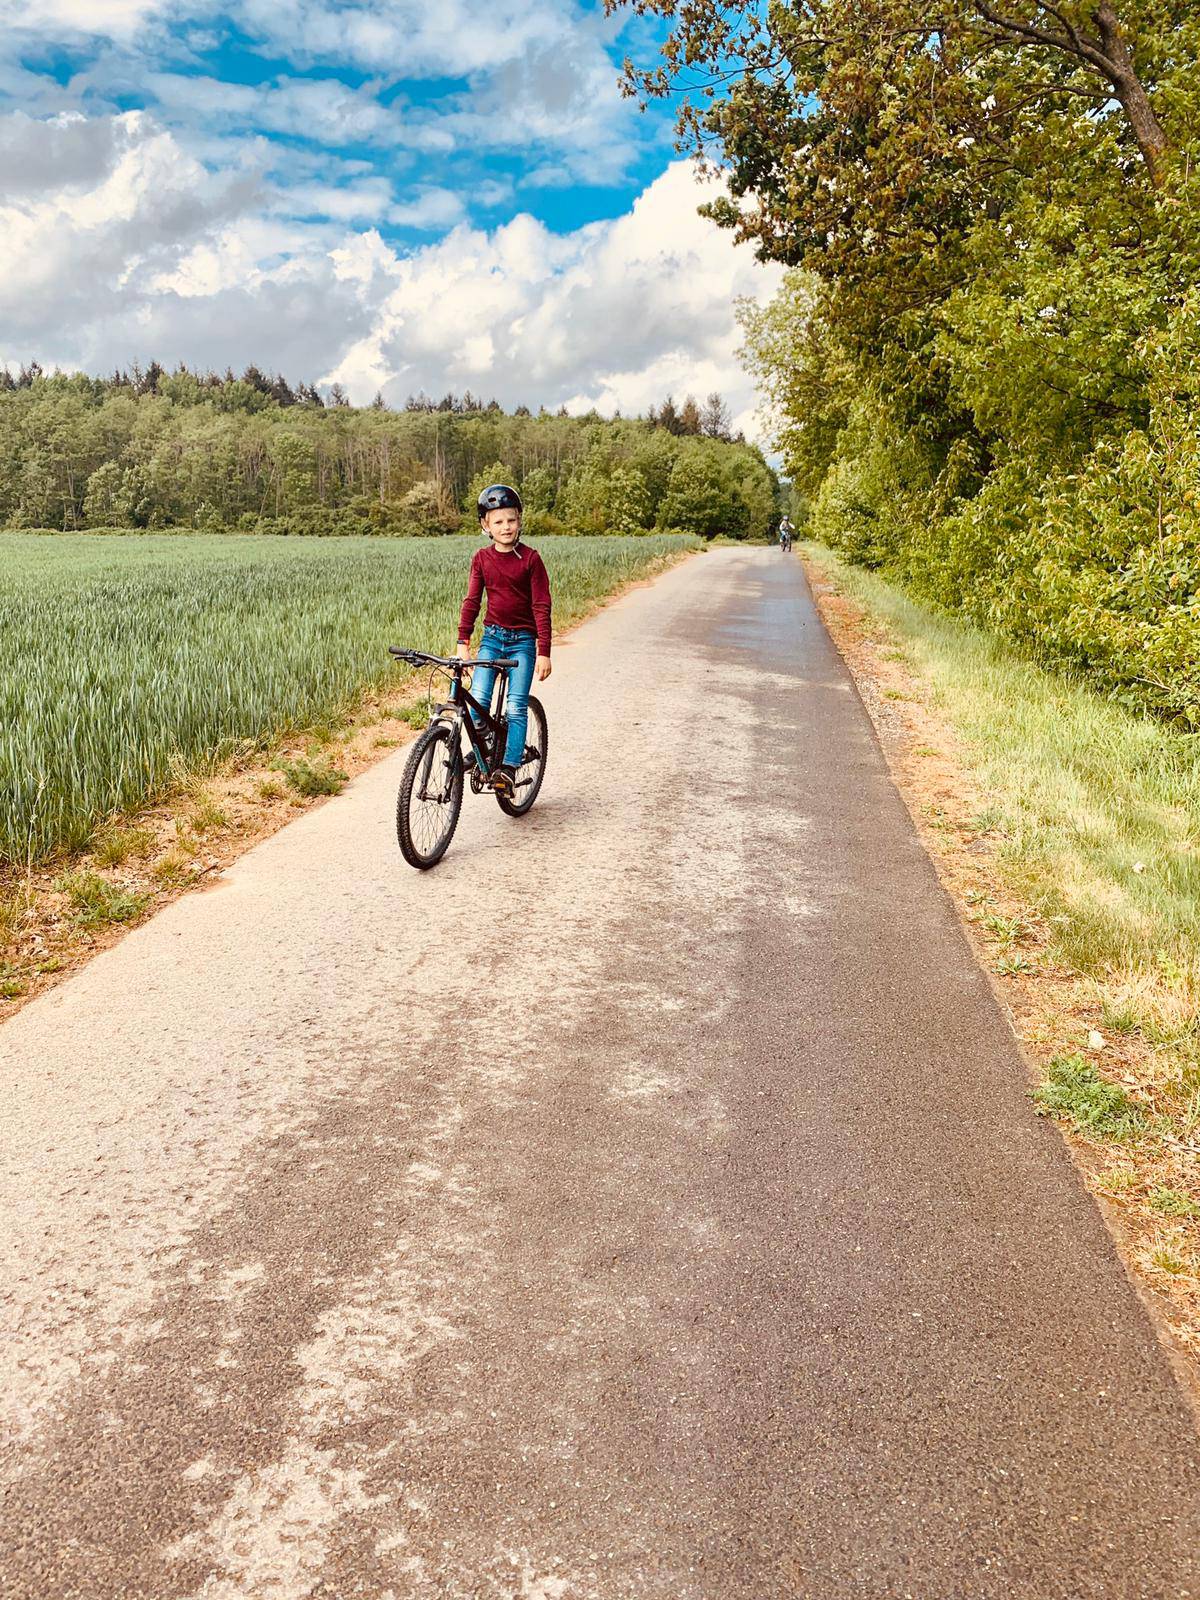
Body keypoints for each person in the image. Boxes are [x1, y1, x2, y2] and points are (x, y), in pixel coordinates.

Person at [456, 483, 552, 797]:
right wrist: (463, 640)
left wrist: (543, 651)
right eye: (498, 521)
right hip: (492, 639)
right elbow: (472, 601)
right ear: (486, 525)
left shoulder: (531, 560)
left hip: (522, 641)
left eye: (510, 520)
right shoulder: (481, 559)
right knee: (477, 703)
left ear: (519, 520)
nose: (505, 527)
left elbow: (541, 605)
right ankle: (487, 747)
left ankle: (509, 767)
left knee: (515, 707)